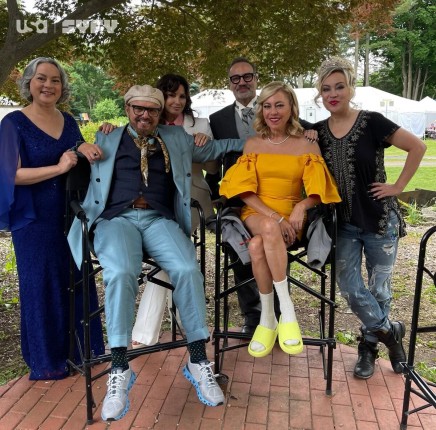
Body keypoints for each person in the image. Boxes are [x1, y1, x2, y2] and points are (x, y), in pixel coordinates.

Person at [67, 84, 245, 421]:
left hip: (159, 219)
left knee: (188, 269)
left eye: (151, 109)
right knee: (121, 271)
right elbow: (75, 152)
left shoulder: (176, 138)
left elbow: (220, 147)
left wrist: (268, 140)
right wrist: (79, 145)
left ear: (160, 113)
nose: (144, 115)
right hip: (116, 218)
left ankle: (198, 359)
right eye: (138, 108)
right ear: (127, 109)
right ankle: (120, 367)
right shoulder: (107, 136)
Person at [313, 57, 427, 379]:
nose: (333, 94)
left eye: (339, 86)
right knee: (349, 287)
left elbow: (417, 147)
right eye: (326, 89)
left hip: (379, 221)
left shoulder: (372, 121)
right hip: (344, 224)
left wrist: (398, 187)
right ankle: (391, 333)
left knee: (379, 290)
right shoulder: (316, 132)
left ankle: (369, 347)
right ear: (320, 94)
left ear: (351, 88)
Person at [0, 57, 104, 380]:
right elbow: (11, 175)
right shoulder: (13, 123)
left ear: (62, 86)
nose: (48, 85)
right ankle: (48, 361)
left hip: (70, 215)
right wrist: (58, 169)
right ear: (28, 83)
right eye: (41, 78)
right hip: (33, 220)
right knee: (41, 286)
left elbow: (74, 149)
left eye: (55, 80)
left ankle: (83, 351)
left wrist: (84, 145)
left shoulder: (68, 120)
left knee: (76, 279)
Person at [219, 81, 341, 357]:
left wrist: (301, 207)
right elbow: (244, 192)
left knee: (256, 246)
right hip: (257, 212)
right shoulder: (253, 143)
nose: (273, 112)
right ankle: (287, 311)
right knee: (267, 226)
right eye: (267, 106)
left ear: (291, 108)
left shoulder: (306, 144)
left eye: (279, 105)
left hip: (290, 219)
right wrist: (274, 217)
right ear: (261, 110)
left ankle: (267, 319)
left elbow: (319, 190)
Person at [207, 57, 316, 335]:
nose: (242, 82)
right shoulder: (217, 120)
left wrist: (314, 131)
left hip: (282, 204)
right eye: (235, 78)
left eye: (247, 76)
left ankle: (277, 314)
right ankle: (252, 316)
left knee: (261, 245)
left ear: (256, 78)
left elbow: (298, 127)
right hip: (240, 200)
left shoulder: (280, 110)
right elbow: (216, 160)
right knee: (240, 258)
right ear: (230, 83)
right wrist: (214, 193)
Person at [131, 73, 217, 348]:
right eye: (170, 95)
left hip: (192, 198)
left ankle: (146, 330)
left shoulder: (200, 124)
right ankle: (185, 320)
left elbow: (213, 168)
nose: (177, 101)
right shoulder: (146, 123)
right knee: (174, 255)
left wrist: (204, 144)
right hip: (154, 200)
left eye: (182, 96)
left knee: (169, 253)